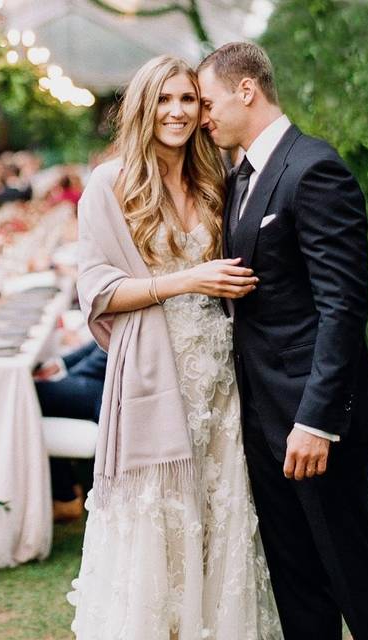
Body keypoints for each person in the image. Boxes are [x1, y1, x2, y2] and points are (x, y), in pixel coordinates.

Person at [197, 42, 368, 640]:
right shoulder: (240, 175)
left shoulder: (314, 168)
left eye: (209, 102)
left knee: (352, 573)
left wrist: (317, 422)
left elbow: (342, 307)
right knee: (296, 580)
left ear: (246, 90)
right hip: (261, 416)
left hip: (314, 421)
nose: (204, 117)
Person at [68, 55, 280, 638]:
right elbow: (98, 289)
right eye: (164, 99)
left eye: (189, 99)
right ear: (142, 106)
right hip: (155, 376)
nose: (177, 112)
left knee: (220, 509)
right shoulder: (109, 185)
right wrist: (186, 280)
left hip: (221, 377)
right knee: (160, 517)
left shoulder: (218, 177)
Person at [34, 342, 107, 521]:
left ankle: (64, 496)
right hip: (99, 378)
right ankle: (66, 493)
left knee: (31, 393)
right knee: (34, 388)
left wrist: (67, 377)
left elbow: (109, 349)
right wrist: (62, 364)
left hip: (106, 387)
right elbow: (101, 339)